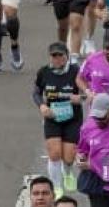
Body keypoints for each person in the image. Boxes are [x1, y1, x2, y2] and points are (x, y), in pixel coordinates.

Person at [35, 41, 85, 196]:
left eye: (60, 56)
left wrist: (80, 98)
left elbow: (89, 92)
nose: (57, 59)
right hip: (53, 117)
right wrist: (42, 106)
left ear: (67, 56)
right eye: (53, 56)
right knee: (55, 153)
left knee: (69, 157)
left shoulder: (76, 72)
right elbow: (36, 93)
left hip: (73, 118)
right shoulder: (44, 72)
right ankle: (56, 186)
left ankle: (68, 172)